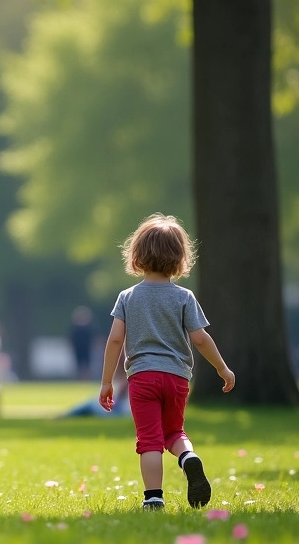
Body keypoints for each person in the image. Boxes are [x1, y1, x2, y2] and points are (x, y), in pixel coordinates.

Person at [98, 214, 234, 510]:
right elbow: (200, 339)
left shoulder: (127, 297)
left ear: (136, 255)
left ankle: (154, 499)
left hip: (142, 378)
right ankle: (188, 457)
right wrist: (222, 368)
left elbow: (115, 341)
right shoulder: (184, 297)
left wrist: (107, 381)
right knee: (174, 432)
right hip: (176, 378)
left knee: (149, 440)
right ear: (180, 257)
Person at [70, 306, 95, 380]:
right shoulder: (75, 328)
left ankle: (86, 378)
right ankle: (80, 378)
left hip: (87, 349)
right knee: (79, 365)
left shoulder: (89, 328)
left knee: (87, 365)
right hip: (78, 349)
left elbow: (93, 338)